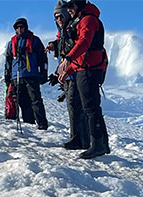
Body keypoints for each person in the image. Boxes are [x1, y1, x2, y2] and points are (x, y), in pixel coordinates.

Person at [57, 0, 109, 158]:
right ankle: (96, 143)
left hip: (90, 70)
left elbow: (84, 43)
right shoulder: (81, 18)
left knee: (91, 107)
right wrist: (69, 69)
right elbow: (81, 55)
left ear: (78, 4)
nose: (69, 10)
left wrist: (68, 59)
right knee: (84, 106)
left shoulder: (88, 19)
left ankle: (98, 144)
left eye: (71, 6)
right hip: (84, 68)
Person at [46, 0, 89, 149]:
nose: (58, 20)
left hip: (75, 72)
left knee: (75, 105)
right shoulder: (63, 32)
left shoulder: (71, 30)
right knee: (74, 105)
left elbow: (73, 51)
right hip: (69, 74)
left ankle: (79, 139)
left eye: (60, 16)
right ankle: (80, 138)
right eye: (56, 17)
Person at [4, 18, 48, 130]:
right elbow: (8, 61)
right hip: (16, 76)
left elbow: (42, 58)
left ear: (26, 27)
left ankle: (42, 124)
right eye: (17, 27)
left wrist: (43, 73)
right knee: (22, 101)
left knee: (36, 100)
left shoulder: (35, 41)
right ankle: (29, 123)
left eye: (21, 27)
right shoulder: (11, 43)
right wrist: (7, 76)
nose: (19, 29)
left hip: (31, 75)